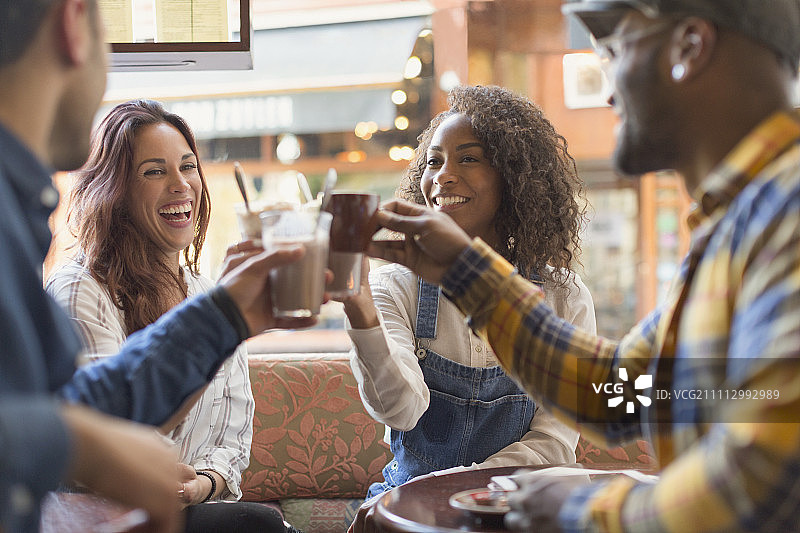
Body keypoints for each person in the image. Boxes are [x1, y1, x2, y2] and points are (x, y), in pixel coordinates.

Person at [366, 0, 800, 531]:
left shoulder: (786, 213)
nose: (606, 81)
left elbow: (761, 476)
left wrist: (578, 512)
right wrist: (462, 270)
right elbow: (618, 391)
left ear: (689, 47)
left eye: (614, 47)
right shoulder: (738, 220)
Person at [0, 1, 314, 531]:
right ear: (74, 24)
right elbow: (82, 429)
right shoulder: (68, 273)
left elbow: (85, 405)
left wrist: (224, 315)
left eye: (188, 166)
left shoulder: (20, 209)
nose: (181, 184)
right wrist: (83, 443)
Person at [45, 99, 296, 533]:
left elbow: (233, 433)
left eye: (188, 167)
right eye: (154, 171)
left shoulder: (206, 294)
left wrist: (204, 482)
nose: (181, 185)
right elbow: (106, 436)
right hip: (97, 516)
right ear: (115, 191)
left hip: (185, 509)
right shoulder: (79, 289)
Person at [342, 85, 595, 511]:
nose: (441, 175)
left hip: (516, 506)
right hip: (412, 509)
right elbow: (400, 412)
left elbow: (553, 444)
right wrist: (358, 306)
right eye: (434, 161)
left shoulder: (563, 296)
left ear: (514, 178)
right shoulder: (395, 286)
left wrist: (468, 496)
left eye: (469, 158)